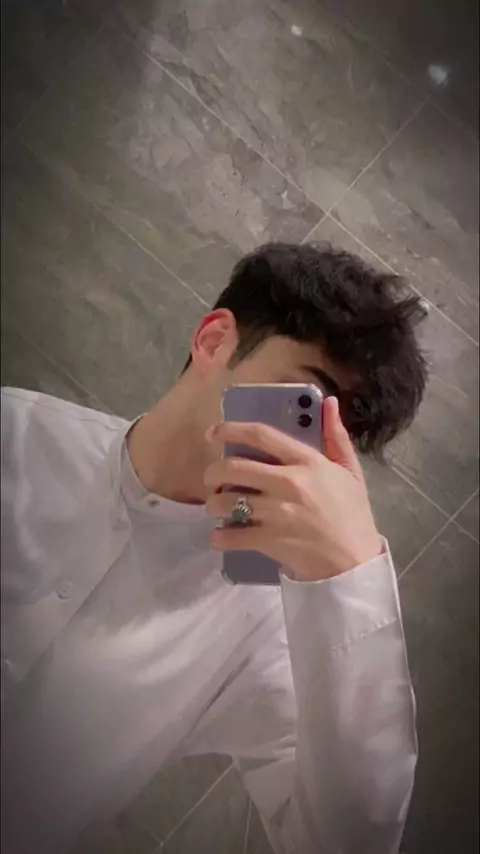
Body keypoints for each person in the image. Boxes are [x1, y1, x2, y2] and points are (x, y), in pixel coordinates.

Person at [1, 243, 427, 854]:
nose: (300, 454)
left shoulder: (263, 628)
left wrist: (350, 578)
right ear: (213, 341)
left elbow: (345, 844)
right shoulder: (13, 433)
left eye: (334, 439)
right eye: (303, 408)